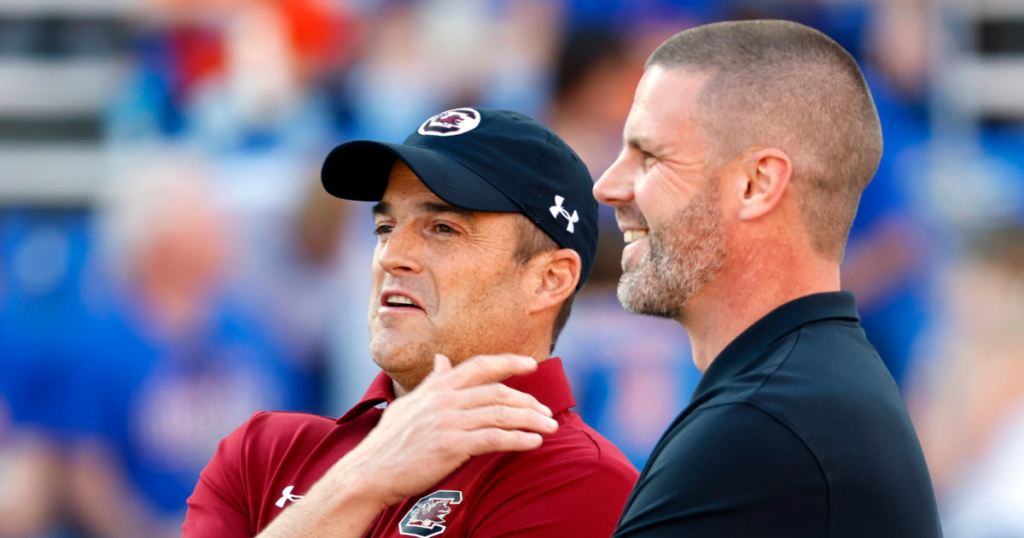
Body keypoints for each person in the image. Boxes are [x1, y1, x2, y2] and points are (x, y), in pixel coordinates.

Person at [183, 108, 639, 537]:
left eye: (443, 229)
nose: (391, 256)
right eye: (385, 228)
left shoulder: (584, 482)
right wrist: (362, 478)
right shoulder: (261, 452)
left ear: (549, 280)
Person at [592, 20, 942, 537]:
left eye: (651, 157)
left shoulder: (759, 426)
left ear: (756, 184)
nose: (607, 186)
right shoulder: (809, 390)